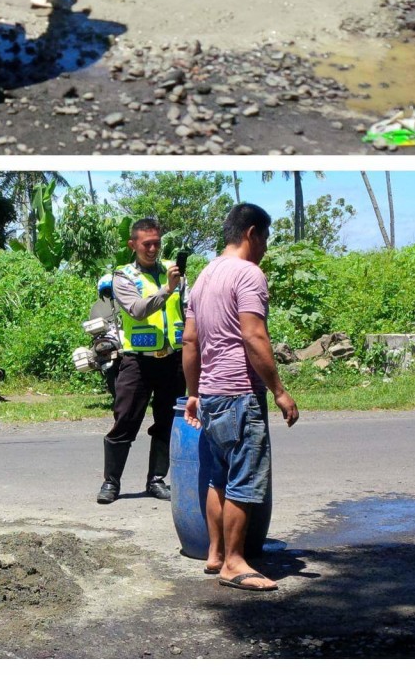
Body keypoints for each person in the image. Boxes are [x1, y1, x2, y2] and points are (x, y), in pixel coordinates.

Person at [181, 203, 299, 592]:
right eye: (265, 238)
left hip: (212, 394)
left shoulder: (203, 277)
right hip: (240, 394)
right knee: (244, 480)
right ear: (252, 233)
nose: (265, 247)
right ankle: (234, 562)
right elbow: (254, 337)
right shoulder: (249, 274)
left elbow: (191, 341)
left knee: (218, 475)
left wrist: (193, 392)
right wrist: (279, 391)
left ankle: (215, 554)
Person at [97, 218, 187, 504]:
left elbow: (189, 308)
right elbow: (136, 310)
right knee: (125, 421)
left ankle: (157, 480)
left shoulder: (173, 271)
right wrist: (167, 290)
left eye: (156, 243)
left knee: (167, 423)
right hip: (137, 361)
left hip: (172, 359)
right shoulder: (123, 276)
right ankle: (111, 483)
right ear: (132, 244)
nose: (152, 248)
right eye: (146, 244)